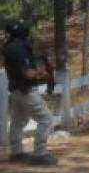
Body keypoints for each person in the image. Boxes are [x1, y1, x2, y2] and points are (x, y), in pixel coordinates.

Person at [3, 21, 57, 165]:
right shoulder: (17, 49)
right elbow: (27, 73)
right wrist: (43, 74)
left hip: (16, 90)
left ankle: (16, 152)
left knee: (18, 121)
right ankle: (40, 153)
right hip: (26, 90)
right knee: (46, 119)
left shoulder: (10, 47)